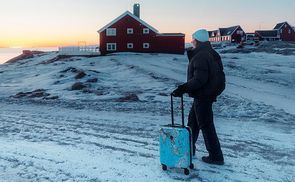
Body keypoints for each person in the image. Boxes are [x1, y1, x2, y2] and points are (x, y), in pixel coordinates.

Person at [172, 29, 225, 165]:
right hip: (205, 95)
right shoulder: (211, 53)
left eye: (193, 39)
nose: (191, 41)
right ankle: (190, 149)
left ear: (198, 40)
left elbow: (199, 79)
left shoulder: (201, 55)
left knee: (206, 125)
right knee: (193, 123)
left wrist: (182, 88)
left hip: (203, 96)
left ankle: (216, 156)